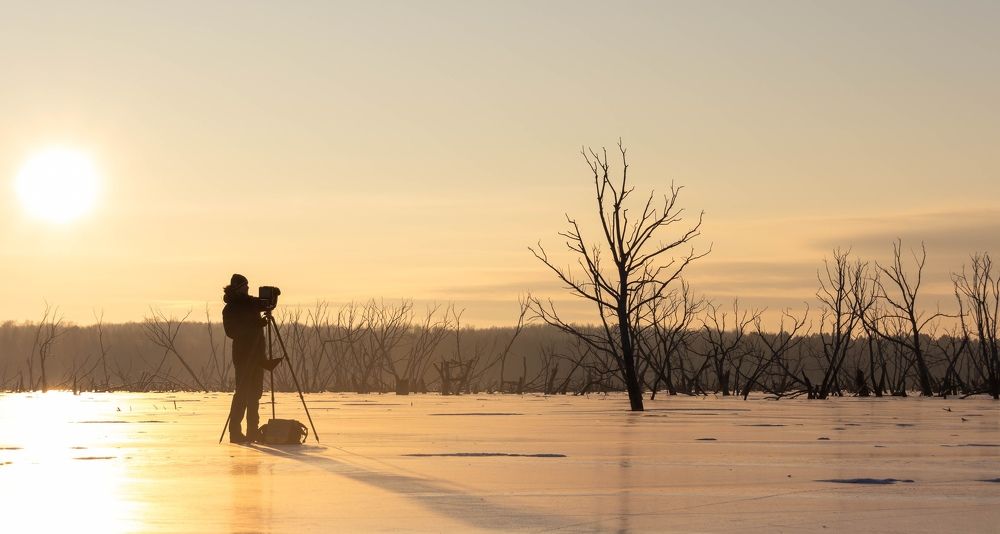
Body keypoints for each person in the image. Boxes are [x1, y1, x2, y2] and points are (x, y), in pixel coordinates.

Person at [223, 273, 282, 443]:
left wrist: (273, 297)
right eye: (245, 286)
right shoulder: (231, 308)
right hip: (243, 357)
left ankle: (252, 431)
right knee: (242, 394)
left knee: (254, 394)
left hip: (257, 356)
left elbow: (264, 305)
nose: (248, 288)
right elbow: (232, 332)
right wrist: (254, 325)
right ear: (239, 288)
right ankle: (235, 432)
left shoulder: (250, 303)